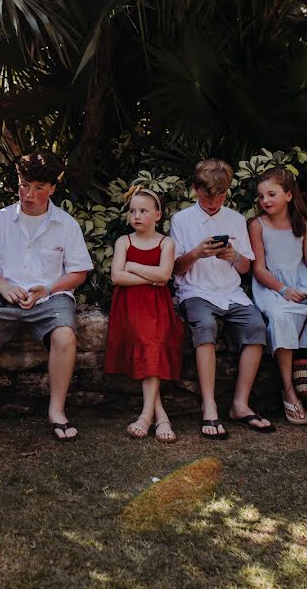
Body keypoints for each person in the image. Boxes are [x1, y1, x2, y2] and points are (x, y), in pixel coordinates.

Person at [0, 150, 93, 441]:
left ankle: (56, 411)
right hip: (6, 293)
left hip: (50, 296)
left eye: (38, 188)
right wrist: (2, 285)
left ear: (52, 188)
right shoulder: (2, 220)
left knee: (64, 336)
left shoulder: (66, 224)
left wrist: (47, 290)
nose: (29, 194)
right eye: (24, 185)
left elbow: (79, 273)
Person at [170, 159, 273, 439]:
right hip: (196, 291)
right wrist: (196, 254)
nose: (214, 202)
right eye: (207, 195)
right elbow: (175, 269)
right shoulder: (181, 220)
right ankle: (210, 405)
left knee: (256, 328)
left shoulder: (236, 220)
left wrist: (234, 256)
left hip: (231, 292)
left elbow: (245, 267)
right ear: (195, 189)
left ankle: (240, 404)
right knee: (205, 327)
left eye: (221, 195)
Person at [250, 167, 307, 425]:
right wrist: (283, 290)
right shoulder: (257, 226)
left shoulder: (305, 225)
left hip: (302, 286)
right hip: (273, 289)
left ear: (288, 195)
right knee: (280, 317)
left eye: (271, 194)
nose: (265, 200)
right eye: (261, 196)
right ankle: (289, 390)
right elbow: (258, 269)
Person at [105, 184, 184, 443]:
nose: (136, 216)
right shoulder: (123, 241)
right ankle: (158, 416)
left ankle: (146, 416)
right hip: (130, 305)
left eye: (143, 211)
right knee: (148, 347)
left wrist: (134, 266)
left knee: (154, 347)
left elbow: (164, 275)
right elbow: (117, 277)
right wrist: (151, 279)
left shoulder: (166, 243)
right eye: (132, 211)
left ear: (157, 215)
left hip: (157, 306)